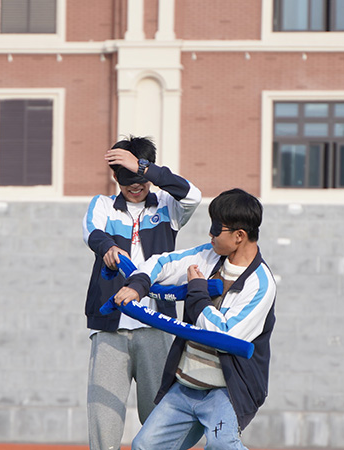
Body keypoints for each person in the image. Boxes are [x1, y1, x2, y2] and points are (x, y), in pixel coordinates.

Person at [114, 188, 277, 450]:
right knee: (144, 446)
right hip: (185, 385)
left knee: (221, 445)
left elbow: (223, 335)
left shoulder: (261, 284)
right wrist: (138, 286)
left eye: (216, 229)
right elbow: (162, 263)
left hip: (227, 392)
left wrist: (198, 291)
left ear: (239, 236)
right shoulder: (208, 256)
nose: (210, 234)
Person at [82, 135, 202, 450]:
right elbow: (92, 232)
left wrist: (145, 168)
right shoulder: (103, 205)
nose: (135, 186)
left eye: (140, 179)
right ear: (115, 177)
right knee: (103, 419)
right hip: (110, 326)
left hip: (156, 325)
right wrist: (108, 247)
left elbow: (194, 195)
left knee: (158, 420)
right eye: (127, 180)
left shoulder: (168, 206)